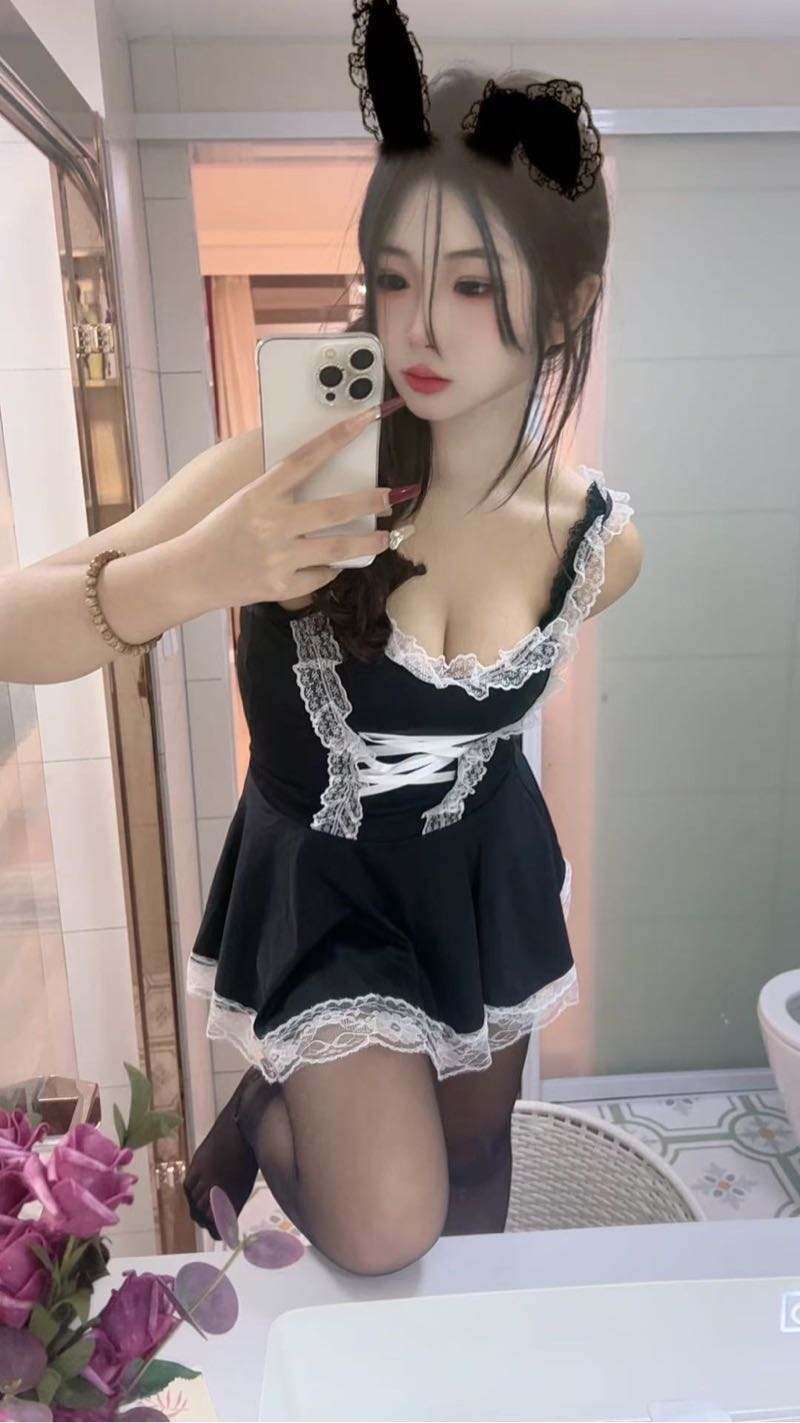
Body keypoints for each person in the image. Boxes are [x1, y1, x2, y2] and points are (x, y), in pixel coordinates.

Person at [1, 2, 643, 1279]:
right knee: (386, 1222)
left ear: (566, 304)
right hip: (324, 889)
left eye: (471, 285)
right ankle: (268, 1112)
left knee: (475, 1164)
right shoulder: (285, 471)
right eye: (394, 279)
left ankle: (448, 1358)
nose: (418, 328)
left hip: (482, 872)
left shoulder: (598, 545)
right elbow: (16, 628)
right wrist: (206, 567)